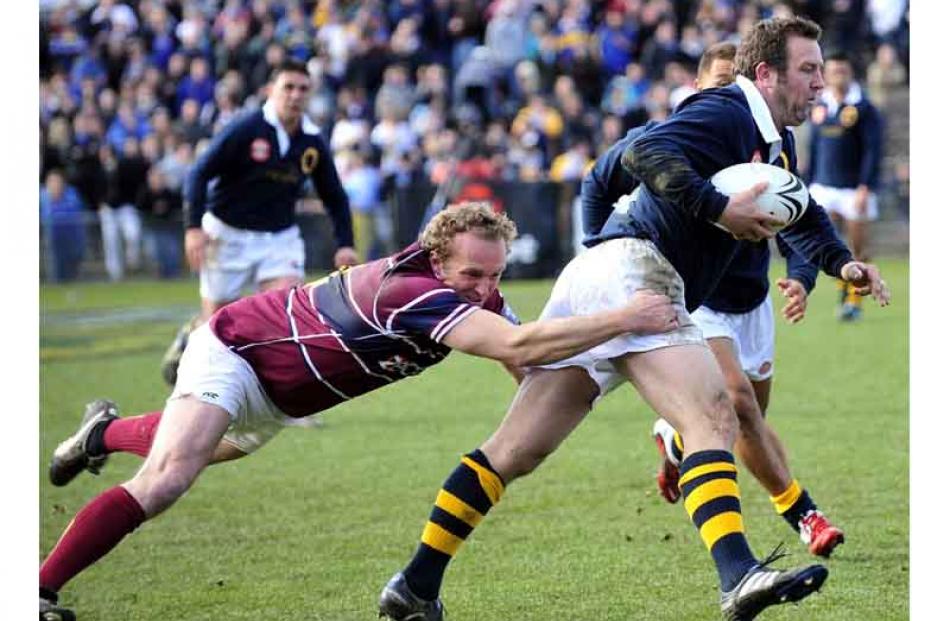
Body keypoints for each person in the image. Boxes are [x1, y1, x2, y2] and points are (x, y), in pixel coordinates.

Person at [379, 17, 890, 621]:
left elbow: (801, 212)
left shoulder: (776, 141)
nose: (819, 84)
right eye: (808, 70)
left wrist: (842, 266)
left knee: (515, 450)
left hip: (601, 274)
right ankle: (738, 575)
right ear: (766, 74)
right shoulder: (728, 109)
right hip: (640, 272)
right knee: (713, 415)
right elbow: (645, 150)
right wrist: (719, 208)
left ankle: (415, 583)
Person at [40, 202, 680, 621]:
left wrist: (595, 392)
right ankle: (37, 590)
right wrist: (626, 319)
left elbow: (525, 363)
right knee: (170, 477)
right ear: (437, 261)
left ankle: (103, 433)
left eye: (495, 275)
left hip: (282, 396)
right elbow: (517, 345)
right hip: (237, 351)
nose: (486, 289)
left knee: (211, 449)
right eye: (473, 275)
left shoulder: (466, 292)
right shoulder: (412, 294)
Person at [584, 40, 845, 558]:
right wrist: (598, 248)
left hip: (752, 299)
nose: (732, 93)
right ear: (702, 89)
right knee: (739, 405)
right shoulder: (684, 132)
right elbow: (600, 178)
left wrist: (805, 276)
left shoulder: (770, 138)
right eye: (722, 84)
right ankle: (803, 514)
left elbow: (795, 211)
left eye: (737, 83)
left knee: (748, 420)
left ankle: (677, 440)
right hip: (695, 295)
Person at [160, 58, 359, 386]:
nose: (295, 95)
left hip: (280, 239)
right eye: (288, 87)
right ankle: (190, 340)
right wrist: (193, 227)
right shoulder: (246, 127)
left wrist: (346, 244)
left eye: (303, 89)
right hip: (227, 235)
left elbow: (334, 196)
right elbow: (199, 173)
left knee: (287, 313)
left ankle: (284, 399)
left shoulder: (312, 140)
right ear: (271, 90)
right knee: (216, 324)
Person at [806, 51, 883, 321]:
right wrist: (807, 182)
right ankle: (843, 292)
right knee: (829, 243)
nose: (838, 75)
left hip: (853, 188)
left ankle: (854, 300)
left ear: (850, 73)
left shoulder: (864, 107)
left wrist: (866, 186)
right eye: (834, 70)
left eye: (843, 70)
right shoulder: (820, 106)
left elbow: (874, 149)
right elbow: (814, 149)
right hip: (823, 186)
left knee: (857, 246)